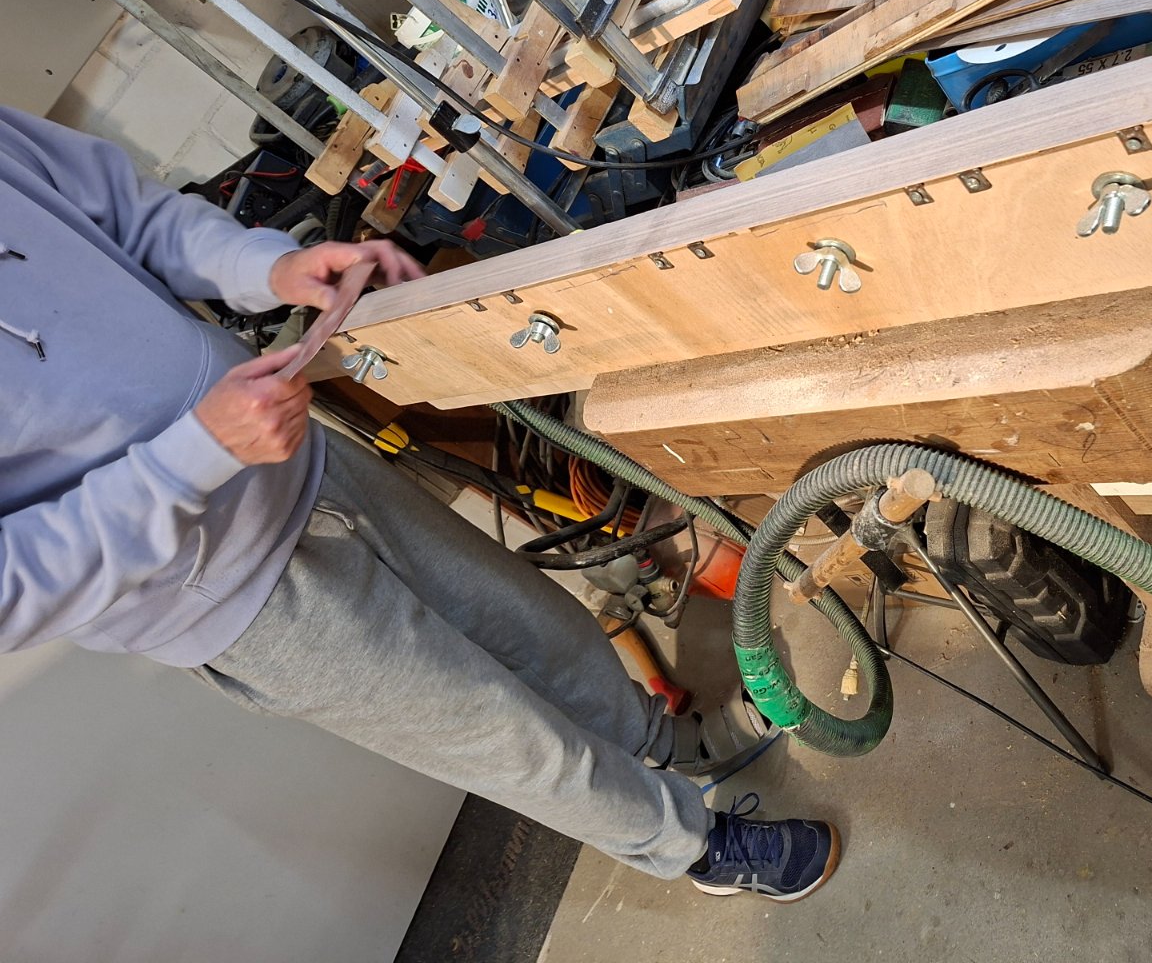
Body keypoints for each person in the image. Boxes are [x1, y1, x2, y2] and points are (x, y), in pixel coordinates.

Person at [0, 106, 840, 901]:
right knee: (504, 736)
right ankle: (694, 847)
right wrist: (194, 458)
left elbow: (125, 210)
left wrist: (263, 267)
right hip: (219, 591)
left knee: (536, 625)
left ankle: (666, 744)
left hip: (304, 460)